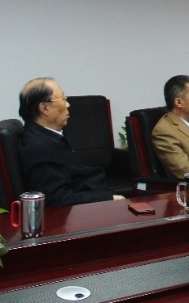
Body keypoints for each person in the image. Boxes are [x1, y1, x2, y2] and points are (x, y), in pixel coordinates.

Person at [17, 77, 123, 207]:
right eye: (63, 99)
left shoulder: (47, 136)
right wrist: (108, 198)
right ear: (44, 108)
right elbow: (57, 199)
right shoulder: (39, 147)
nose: (68, 104)